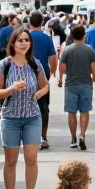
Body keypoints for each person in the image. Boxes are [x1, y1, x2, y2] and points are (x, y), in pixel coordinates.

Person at [0, 28, 50, 189]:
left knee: (31, 158)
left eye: (27, 40)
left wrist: (39, 94)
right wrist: (11, 89)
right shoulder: (4, 64)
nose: (24, 43)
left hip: (32, 116)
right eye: (20, 40)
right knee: (11, 160)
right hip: (10, 117)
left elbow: (45, 86)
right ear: (13, 43)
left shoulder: (35, 64)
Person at [58, 25, 95, 151]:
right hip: (86, 83)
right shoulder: (89, 50)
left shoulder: (67, 49)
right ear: (84, 36)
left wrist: (60, 79)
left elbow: (62, 66)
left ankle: (73, 138)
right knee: (84, 111)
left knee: (71, 113)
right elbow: (94, 69)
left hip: (71, 84)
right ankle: (82, 135)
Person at [26, 11, 58, 150]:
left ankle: (28, 136)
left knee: (26, 106)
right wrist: (51, 73)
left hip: (25, 75)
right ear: (42, 22)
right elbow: (53, 59)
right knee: (43, 108)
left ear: (29, 22)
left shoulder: (25, 37)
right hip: (43, 76)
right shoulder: (46, 38)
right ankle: (43, 136)